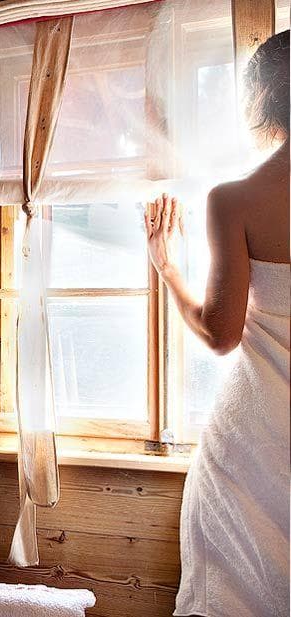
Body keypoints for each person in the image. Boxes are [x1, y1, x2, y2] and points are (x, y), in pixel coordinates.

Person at [143, 30, 290, 617]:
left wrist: (169, 269)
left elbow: (220, 335)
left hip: (253, 439)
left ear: (261, 100)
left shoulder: (236, 199)